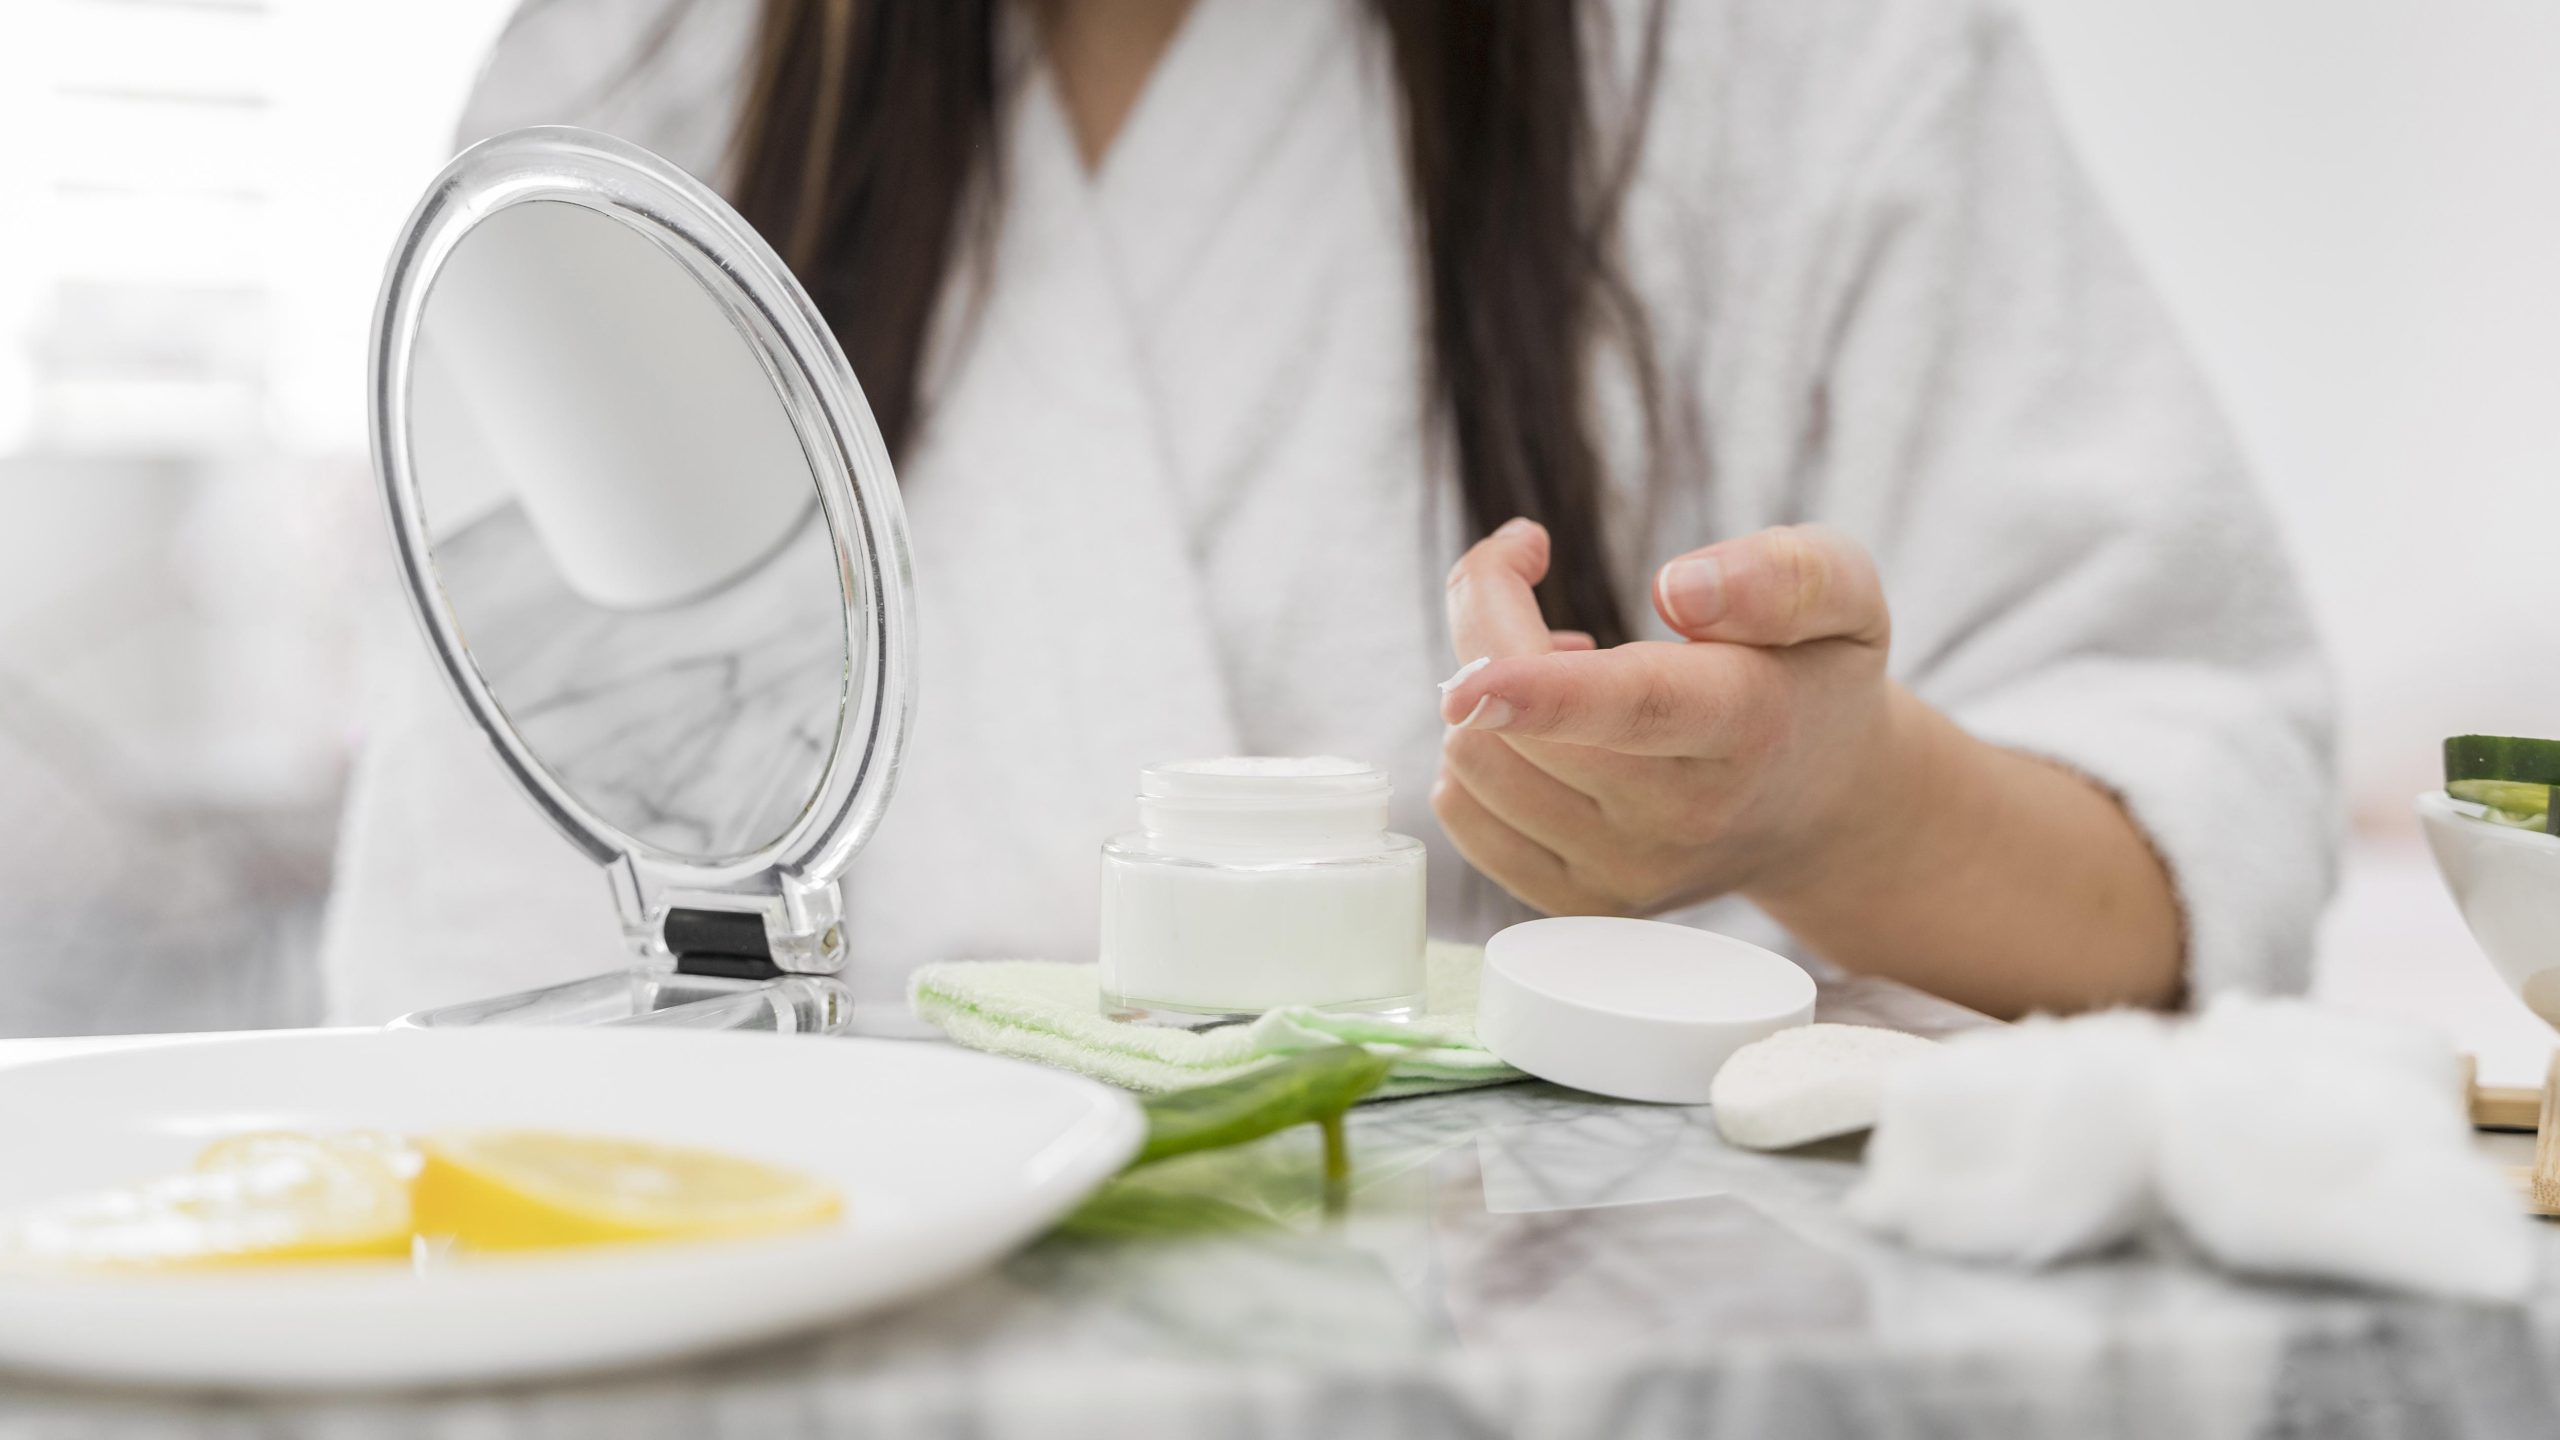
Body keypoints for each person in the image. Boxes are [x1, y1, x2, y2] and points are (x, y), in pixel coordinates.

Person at [320, 0, 2334, 1024]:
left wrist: (1840, 808)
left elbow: (2183, 856)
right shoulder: (652, 73)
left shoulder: (1783, 55)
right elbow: (487, 935)